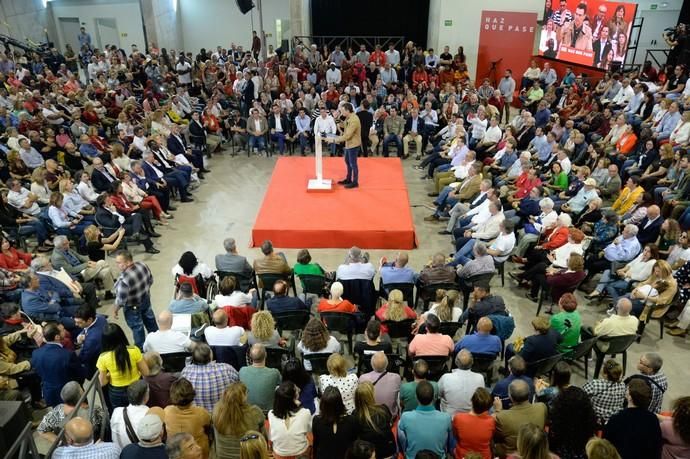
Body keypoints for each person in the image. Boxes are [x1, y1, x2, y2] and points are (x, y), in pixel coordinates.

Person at [603, 378, 663, 459]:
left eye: (627, 389)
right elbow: (656, 447)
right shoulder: (653, 419)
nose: (625, 390)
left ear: (630, 397)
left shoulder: (616, 419)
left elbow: (606, 443)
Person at [113, 250, 159, 350]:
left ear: (128, 262)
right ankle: (158, 342)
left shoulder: (123, 280)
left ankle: (141, 350)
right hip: (145, 299)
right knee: (150, 320)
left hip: (132, 306)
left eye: (119, 262)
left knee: (137, 328)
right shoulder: (143, 265)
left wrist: (115, 309)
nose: (117, 265)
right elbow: (150, 280)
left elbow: (121, 300)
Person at [97, 323, 149, 409]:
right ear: (121, 335)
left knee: (121, 414)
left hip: (117, 392)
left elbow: (102, 382)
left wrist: (109, 375)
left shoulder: (103, 358)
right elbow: (146, 372)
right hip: (137, 387)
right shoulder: (134, 350)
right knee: (141, 410)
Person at [31, 322, 83, 406]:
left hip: (50, 394)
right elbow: (79, 375)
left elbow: (38, 372)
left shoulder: (35, 353)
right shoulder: (67, 355)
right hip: (70, 394)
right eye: (62, 330)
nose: (65, 331)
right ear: (57, 337)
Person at [492, 380, 548, 458]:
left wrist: (497, 411)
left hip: (512, 454)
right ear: (529, 394)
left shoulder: (501, 417)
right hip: (537, 450)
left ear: (510, 396)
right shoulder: (542, 407)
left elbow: (496, 438)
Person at [398, 381, 452, 459]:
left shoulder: (406, 417)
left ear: (416, 397)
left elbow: (402, 438)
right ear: (434, 397)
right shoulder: (446, 418)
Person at [37, 382, 105, 443]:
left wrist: (60, 442)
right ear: (81, 396)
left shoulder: (57, 410)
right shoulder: (94, 410)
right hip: (90, 446)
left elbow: (41, 429)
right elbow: (105, 424)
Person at [213, 382, 266, 459]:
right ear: (244, 397)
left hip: (221, 456)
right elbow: (262, 436)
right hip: (247, 456)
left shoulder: (216, 410)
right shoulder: (255, 412)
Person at [181, 342, 239, 412]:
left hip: (198, 417)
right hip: (223, 416)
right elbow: (238, 382)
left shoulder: (186, 372)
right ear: (210, 356)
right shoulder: (226, 368)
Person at [164, 378, 212, 459]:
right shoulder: (201, 412)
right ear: (192, 394)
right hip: (199, 453)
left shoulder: (167, 411)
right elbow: (209, 422)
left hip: (176, 452)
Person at [548, 386, 597, 458]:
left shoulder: (557, 419)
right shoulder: (589, 419)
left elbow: (553, 439)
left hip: (559, 452)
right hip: (581, 452)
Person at [268, 381, 313, 459]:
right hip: (300, 453)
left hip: (279, 454)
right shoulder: (305, 412)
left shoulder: (271, 414)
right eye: (296, 390)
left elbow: (270, 437)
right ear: (293, 398)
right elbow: (309, 431)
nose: (298, 390)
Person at [353, 382, 397, 459]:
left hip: (369, 454)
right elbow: (390, 424)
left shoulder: (355, 415)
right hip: (389, 451)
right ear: (371, 396)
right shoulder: (383, 409)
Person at [313, 386, 358, 459]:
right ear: (340, 403)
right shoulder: (351, 420)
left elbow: (316, 444)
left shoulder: (316, 421)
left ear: (323, 404)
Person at [452, 387, 495, 459]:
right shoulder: (492, 421)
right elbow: (491, 439)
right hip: (484, 456)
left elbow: (456, 436)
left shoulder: (458, 418)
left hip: (462, 455)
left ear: (472, 401)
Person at [327, 102, 362, 188]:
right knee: (348, 162)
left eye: (342, 111)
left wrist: (335, 140)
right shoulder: (349, 117)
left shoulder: (354, 120)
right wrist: (336, 119)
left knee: (353, 163)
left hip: (353, 145)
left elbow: (347, 135)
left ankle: (355, 182)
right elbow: (344, 125)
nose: (341, 112)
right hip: (349, 144)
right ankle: (348, 179)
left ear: (347, 110)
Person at [438, 350, 485, 414]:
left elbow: (438, 394)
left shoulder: (446, 377)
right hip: (472, 417)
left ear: (456, 362)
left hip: (450, 417)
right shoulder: (480, 378)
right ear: (472, 362)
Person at [583, 359, 626, 426]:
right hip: (614, 419)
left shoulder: (595, 385)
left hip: (595, 418)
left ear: (605, 375)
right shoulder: (623, 386)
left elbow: (581, 394)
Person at [240, 344, 282, 412]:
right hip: (268, 412)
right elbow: (283, 385)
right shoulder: (274, 373)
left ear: (250, 355)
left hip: (247, 410)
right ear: (266, 355)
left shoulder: (242, 371)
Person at [52, 417, 121, 459]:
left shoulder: (58, 454)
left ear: (70, 440)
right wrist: (98, 446)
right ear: (93, 434)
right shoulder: (113, 448)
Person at [358, 352, 401, 417]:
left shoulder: (363, 378)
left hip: (370, 417)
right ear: (387, 364)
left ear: (371, 364)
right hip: (390, 418)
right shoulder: (396, 378)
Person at [110, 380, 151, 449]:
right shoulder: (147, 414)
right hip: (135, 453)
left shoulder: (116, 411)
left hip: (118, 451)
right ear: (145, 398)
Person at [73, 305, 106, 375]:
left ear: (89, 320)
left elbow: (84, 357)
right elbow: (86, 328)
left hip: (97, 362)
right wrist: (81, 335)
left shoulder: (92, 340)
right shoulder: (100, 317)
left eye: (79, 322)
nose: (76, 324)